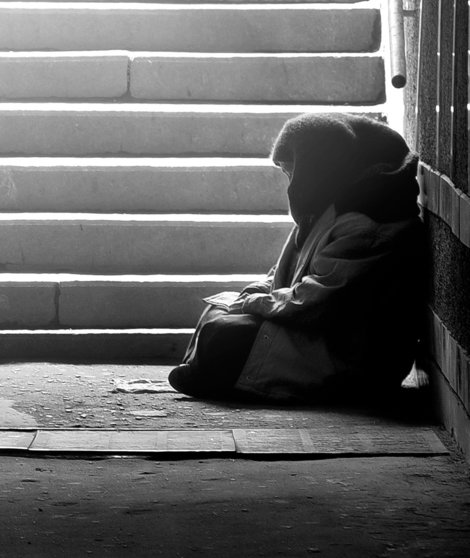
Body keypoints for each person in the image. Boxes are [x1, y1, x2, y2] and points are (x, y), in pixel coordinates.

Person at [168, 112, 424, 403]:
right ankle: (203, 371)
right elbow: (284, 271)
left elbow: (317, 300)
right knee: (217, 312)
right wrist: (253, 293)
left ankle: (208, 375)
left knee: (224, 333)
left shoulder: (369, 226)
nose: (291, 183)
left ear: (316, 169)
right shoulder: (330, 206)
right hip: (308, 328)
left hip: (345, 352)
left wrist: (257, 304)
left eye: (293, 173)